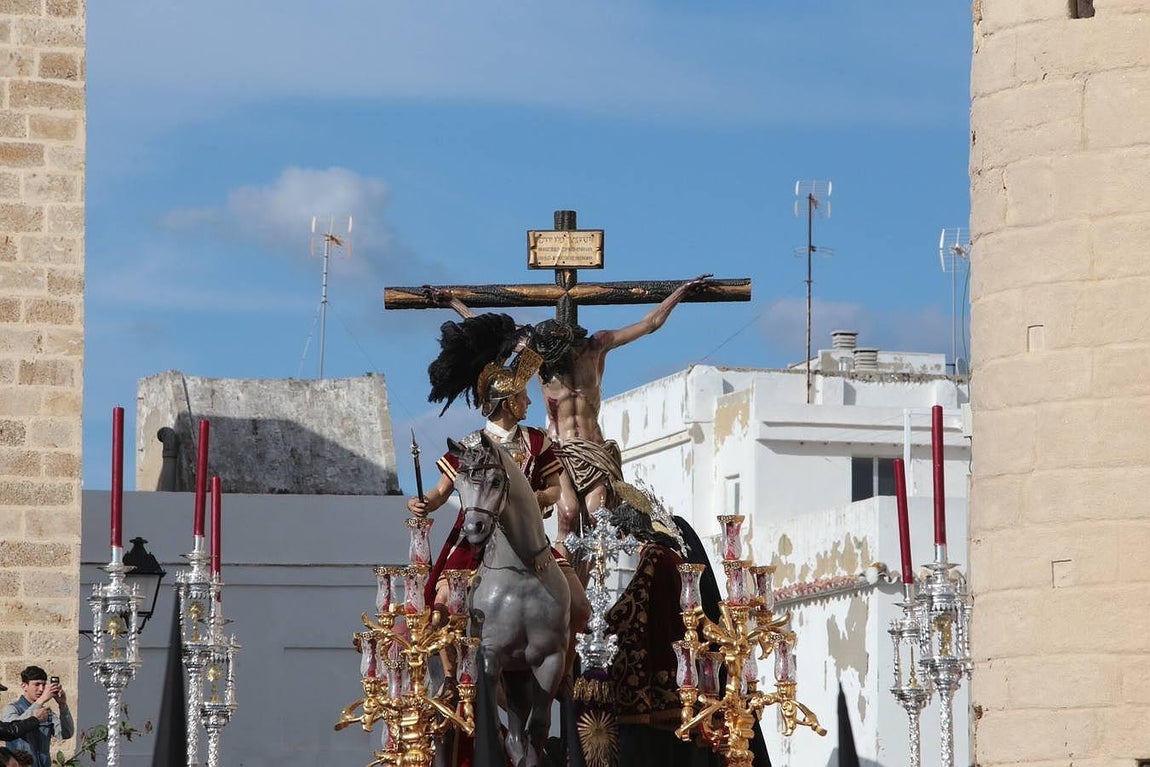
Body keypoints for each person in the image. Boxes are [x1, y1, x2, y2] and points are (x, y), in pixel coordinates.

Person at [428, 275, 714, 542]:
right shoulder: (537, 353)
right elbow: (486, 332)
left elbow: (648, 324)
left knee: (597, 519)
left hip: (593, 450)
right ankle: (566, 583)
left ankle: (589, 590)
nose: (548, 362)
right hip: (559, 451)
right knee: (567, 515)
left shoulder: (597, 346)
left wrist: (681, 292)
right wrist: (454, 303)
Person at [413, 344, 590, 683]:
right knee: (441, 608)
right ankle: (454, 679)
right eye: (524, 397)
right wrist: (423, 503)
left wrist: (537, 497)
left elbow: (555, 488)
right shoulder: (470, 445)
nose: (528, 402)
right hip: (475, 538)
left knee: (579, 607)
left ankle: (564, 678)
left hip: (527, 538)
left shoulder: (536, 441)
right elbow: (439, 492)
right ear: (509, 402)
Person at [1, 667, 74, 767]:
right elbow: (13, 729)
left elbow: (66, 734)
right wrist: (41, 701)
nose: (41, 689)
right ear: (24, 686)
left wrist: (63, 705)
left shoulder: (46, 712)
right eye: (37, 684)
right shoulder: (12, 709)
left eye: (44, 685)